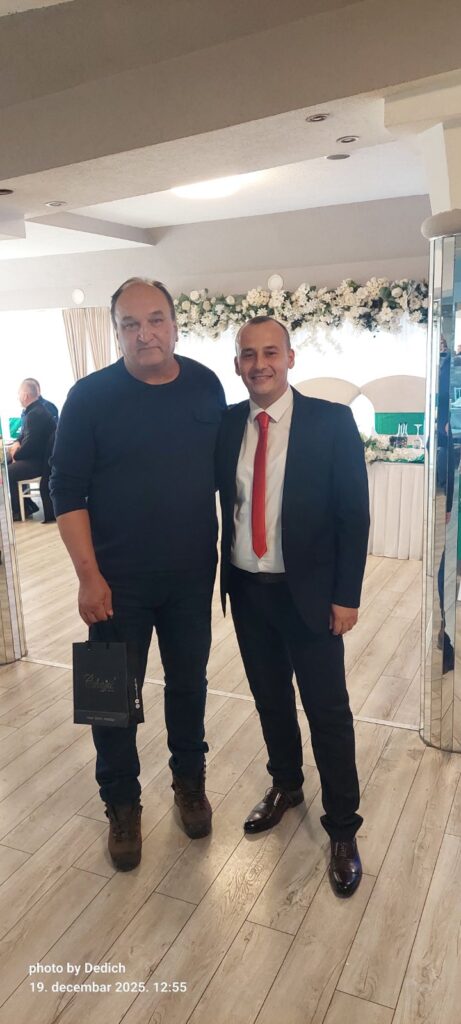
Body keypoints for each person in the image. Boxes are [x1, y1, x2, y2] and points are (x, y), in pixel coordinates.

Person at [50, 278, 225, 871]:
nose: (144, 333)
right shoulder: (88, 397)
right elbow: (66, 490)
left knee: (189, 685)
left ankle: (190, 783)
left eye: (155, 320)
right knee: (108, 699)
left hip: (191, 576)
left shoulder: (205, 384)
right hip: (113, 581)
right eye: (130, 323)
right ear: (116, 330)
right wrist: (87, 577)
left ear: (175, 324)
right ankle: (121, 803)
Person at [216, 316, 370, 898]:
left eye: (270, 352)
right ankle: (286, 783)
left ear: (290, 357)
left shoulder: (331, 422)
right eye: (248, 354)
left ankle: (343, 827)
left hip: (309, 595)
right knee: (270, 699)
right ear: (237, 363)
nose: (260, 364)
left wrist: (346, 595)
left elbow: (353, 515)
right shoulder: (227, 424)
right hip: (248, 590)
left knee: (328, 712)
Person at [7, 379, 56, 521]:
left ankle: (19, 510)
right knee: (8, 464)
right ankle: (27, 506)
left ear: (25, 395)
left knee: (7, 472)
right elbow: (24, 436)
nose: (18, 398)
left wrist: (16, 454)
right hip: (38, 458)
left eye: (19, 394)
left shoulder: (35, 414)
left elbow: (30, 446)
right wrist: (16, 443)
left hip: (39, 462)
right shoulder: (36, 411)